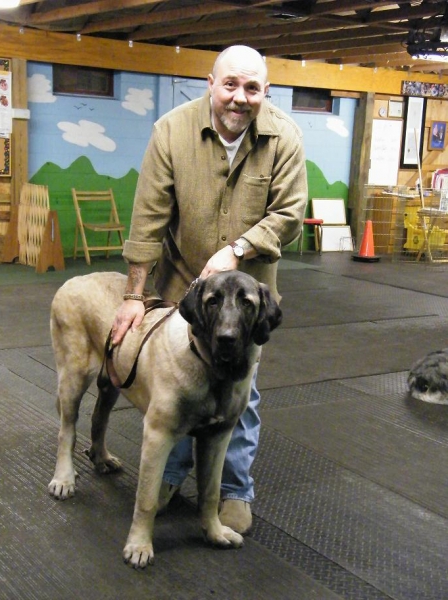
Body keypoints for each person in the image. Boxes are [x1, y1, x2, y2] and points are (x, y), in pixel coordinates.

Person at [112, 45, 307, 534]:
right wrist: (134, 297)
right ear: (210, 83)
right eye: (230, 85)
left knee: (243, 393)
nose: (239, 98)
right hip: (185, 288)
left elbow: (289, 215)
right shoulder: (171, 132)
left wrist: (239, 249)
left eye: (252, 88)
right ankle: (174, 473)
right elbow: (148, 220)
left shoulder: (285, 137)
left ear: (266, 92)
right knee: (177, 387)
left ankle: (233, 490)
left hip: (250, 299)